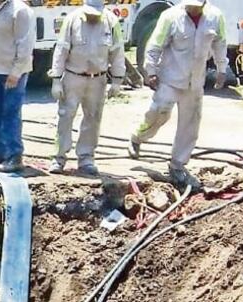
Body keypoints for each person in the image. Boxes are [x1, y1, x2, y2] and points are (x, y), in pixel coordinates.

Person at [127, 0, 227, 187]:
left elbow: (220, 43)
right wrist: (151, 71)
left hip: (195, 82)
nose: (192, 9)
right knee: (158, 113)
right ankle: (137, 138)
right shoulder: (170, 17)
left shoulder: (215, 17)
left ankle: (177, 165)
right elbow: (154, 45)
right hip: (170, 78)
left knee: (190, 126)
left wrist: (222, 69)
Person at [48, 0, 124, 176]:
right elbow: (61, 50)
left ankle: (86, 158)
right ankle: (59, 157)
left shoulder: (111, 22)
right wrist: (56, 79)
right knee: (66, 116)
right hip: (73, 77)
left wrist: (117, 80)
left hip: (97, 80)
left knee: (93, 118)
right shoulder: (72, 20)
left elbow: (117, 52)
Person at [0, 0, 33, 173]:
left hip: (13, 71)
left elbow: (25, 44)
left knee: (10, 112)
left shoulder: (20, 10)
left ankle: (14, 156)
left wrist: (16, 72)